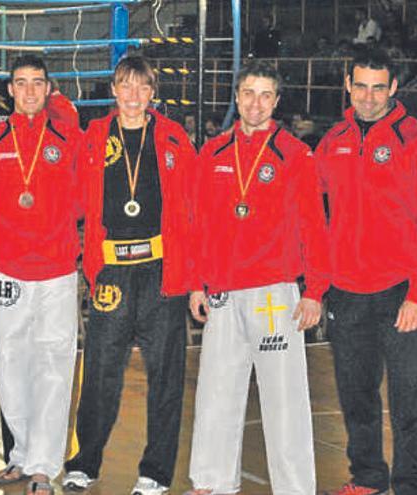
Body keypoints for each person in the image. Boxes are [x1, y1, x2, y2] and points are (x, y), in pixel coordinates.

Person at [185, 61, 329, 495]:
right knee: (216, 391)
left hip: (275, 295)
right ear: (237, 96)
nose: (256, 103)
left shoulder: (296, 154)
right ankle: (211, 480)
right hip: (224, 293)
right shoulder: (211, 153)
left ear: (277, 101)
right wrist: (196, 282)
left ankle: (295, 487)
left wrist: (315, 290)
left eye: (266, 95)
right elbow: (198, 223)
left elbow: (313, 227)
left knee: (284, 399)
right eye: (249, 92)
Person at [316, 48, 417, 495]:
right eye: (361, 86)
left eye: (379, 87)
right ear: (347, 86)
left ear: (394, 88)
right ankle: (368, 476)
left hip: (401, 292)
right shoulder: (332, 138)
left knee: (410, 395)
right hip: (347, 292)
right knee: (357, 395)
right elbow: (305, 203)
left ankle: (412, 484)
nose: (369, 97)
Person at [62, 55, 196, 495]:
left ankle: (155, 473)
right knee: (100, 371)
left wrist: (195, 277)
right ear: (114, 89)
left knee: (166, 378)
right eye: (126, 86)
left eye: (142, 87)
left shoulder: (175, 138)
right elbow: (74, 199)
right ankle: (85, 461)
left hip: (162, 272)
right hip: (113, 271)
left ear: (152, 92)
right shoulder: (95, 137)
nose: (134, 96)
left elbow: (193, 212)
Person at [0, 54, 82, 495]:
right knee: (11, 366)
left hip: (57, 269)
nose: (30, 92)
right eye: (21, 84)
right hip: (8, 270)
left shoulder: (69, 137)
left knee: (54, 366)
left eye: (38, 83)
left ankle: (44, 464)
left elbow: (85, 201)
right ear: (10, 91)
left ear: (49, 88)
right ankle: (21, 453)